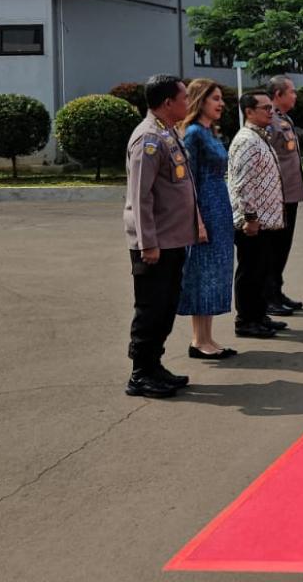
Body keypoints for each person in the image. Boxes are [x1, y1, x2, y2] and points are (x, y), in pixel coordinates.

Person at [122, 74, 202, 398]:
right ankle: (140, 374)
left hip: (172, 239)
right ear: (168, 102)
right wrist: (148, 244)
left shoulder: (167, 132)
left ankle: (154, 366)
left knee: (166, 306)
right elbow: (141, 196)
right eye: (184, 98)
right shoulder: (148, 139)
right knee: (151, 308)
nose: (188, 103)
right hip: (155, 245)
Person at [177, 79, 237, 359]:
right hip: (204, 209)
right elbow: (189, 181)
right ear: (200, 100)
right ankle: (198, 341)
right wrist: (197, 220)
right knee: (202, 274)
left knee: (216, 274)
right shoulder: (192, 134)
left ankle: (207, 338)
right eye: (215, 98)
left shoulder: (208, 132)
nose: (221, 103)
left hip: (219, 205)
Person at [228, 92, 287, 341]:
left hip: (266, 221)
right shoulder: (246, 141)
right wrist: (250, 217)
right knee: (250, 272)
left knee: (262, 270)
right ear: (249, 111)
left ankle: (259, 315)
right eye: (265, 108)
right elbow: (242, 184)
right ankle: (246, 320)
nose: (270, 112)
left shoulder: (258, 137)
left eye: (271, 108)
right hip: (254, 222)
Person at [264, 76, 303, 318]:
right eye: (291, 91)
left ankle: (277, 291)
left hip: (290, 194)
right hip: (278, 196)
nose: (295, 95)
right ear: (278, 95)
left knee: (283, 247)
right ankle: (269, 296)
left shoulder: (284, 119)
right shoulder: (269, 121)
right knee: (275, 248)